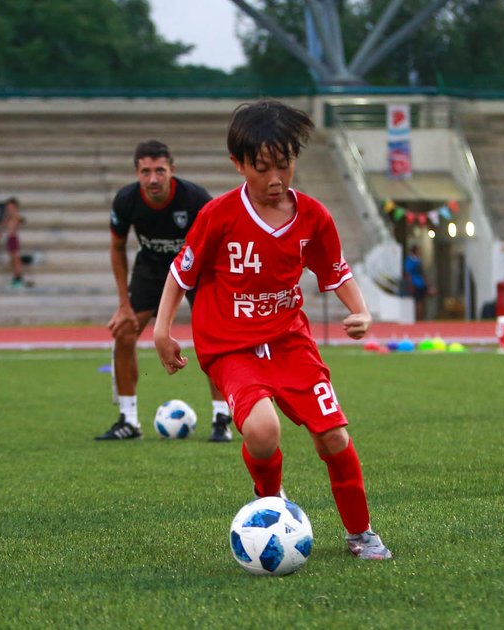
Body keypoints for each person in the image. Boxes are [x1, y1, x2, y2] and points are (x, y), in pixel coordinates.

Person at [153, 100, 392, 560]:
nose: (276, 178)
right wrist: (163, 330)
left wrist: (360, 310)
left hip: (290, 342)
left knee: (334, 437)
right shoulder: (219, 215)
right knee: (262, 432)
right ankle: (273, 502)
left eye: (285, 165)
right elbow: (181, 274)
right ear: (238, 164)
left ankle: (360, 533)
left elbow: (335, 270)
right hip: (231, 347)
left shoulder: (313, 217)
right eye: (262, 168)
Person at [98, 140, 232, 442]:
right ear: (137, 173)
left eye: (160, 170)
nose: (153, 178)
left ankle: (221, 417)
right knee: (124, 332)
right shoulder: (126, 200)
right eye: (146, 172)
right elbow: (117, 247)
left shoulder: (195, 199)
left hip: (198, 269)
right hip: (151, 269)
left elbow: (220, 244)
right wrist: (123, 304)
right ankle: (128, 420)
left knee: (214, 336)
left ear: (172, 169)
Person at [2, 197, 26, 288]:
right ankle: (16, 277)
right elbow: (4, 224)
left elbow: (21, 220)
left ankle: (18, 278)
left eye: (10, 207)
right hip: (9, 238)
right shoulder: (9, 216)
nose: (8, 209)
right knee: (13, 260)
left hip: (13, 238)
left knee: (16, 260)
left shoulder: (15, 215)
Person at [404, 244, 430, 321]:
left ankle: (421, 317)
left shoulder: (418, 260)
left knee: (421, 301)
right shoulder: (409, 261)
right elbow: (407, 273)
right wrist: (410, 284)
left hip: (421, 284)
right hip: (415, 284)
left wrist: (426, 283)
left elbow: (422, 273)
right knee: (417, 302)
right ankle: (417, 318)